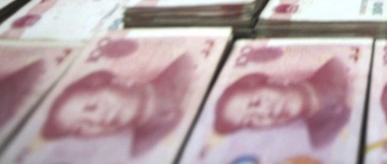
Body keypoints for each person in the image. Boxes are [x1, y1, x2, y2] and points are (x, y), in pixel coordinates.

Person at [41, 54, 193, 156]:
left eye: (91, 107)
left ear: (119, 81)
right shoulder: (144, 150)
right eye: (80, 129)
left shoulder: (183, 66)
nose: (96, 120)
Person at [213, 57, 351, 148]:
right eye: (250, 122)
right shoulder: (322, 139)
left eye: (256, 102)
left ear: (277, 81)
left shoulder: (336, 66)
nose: (264, 113)